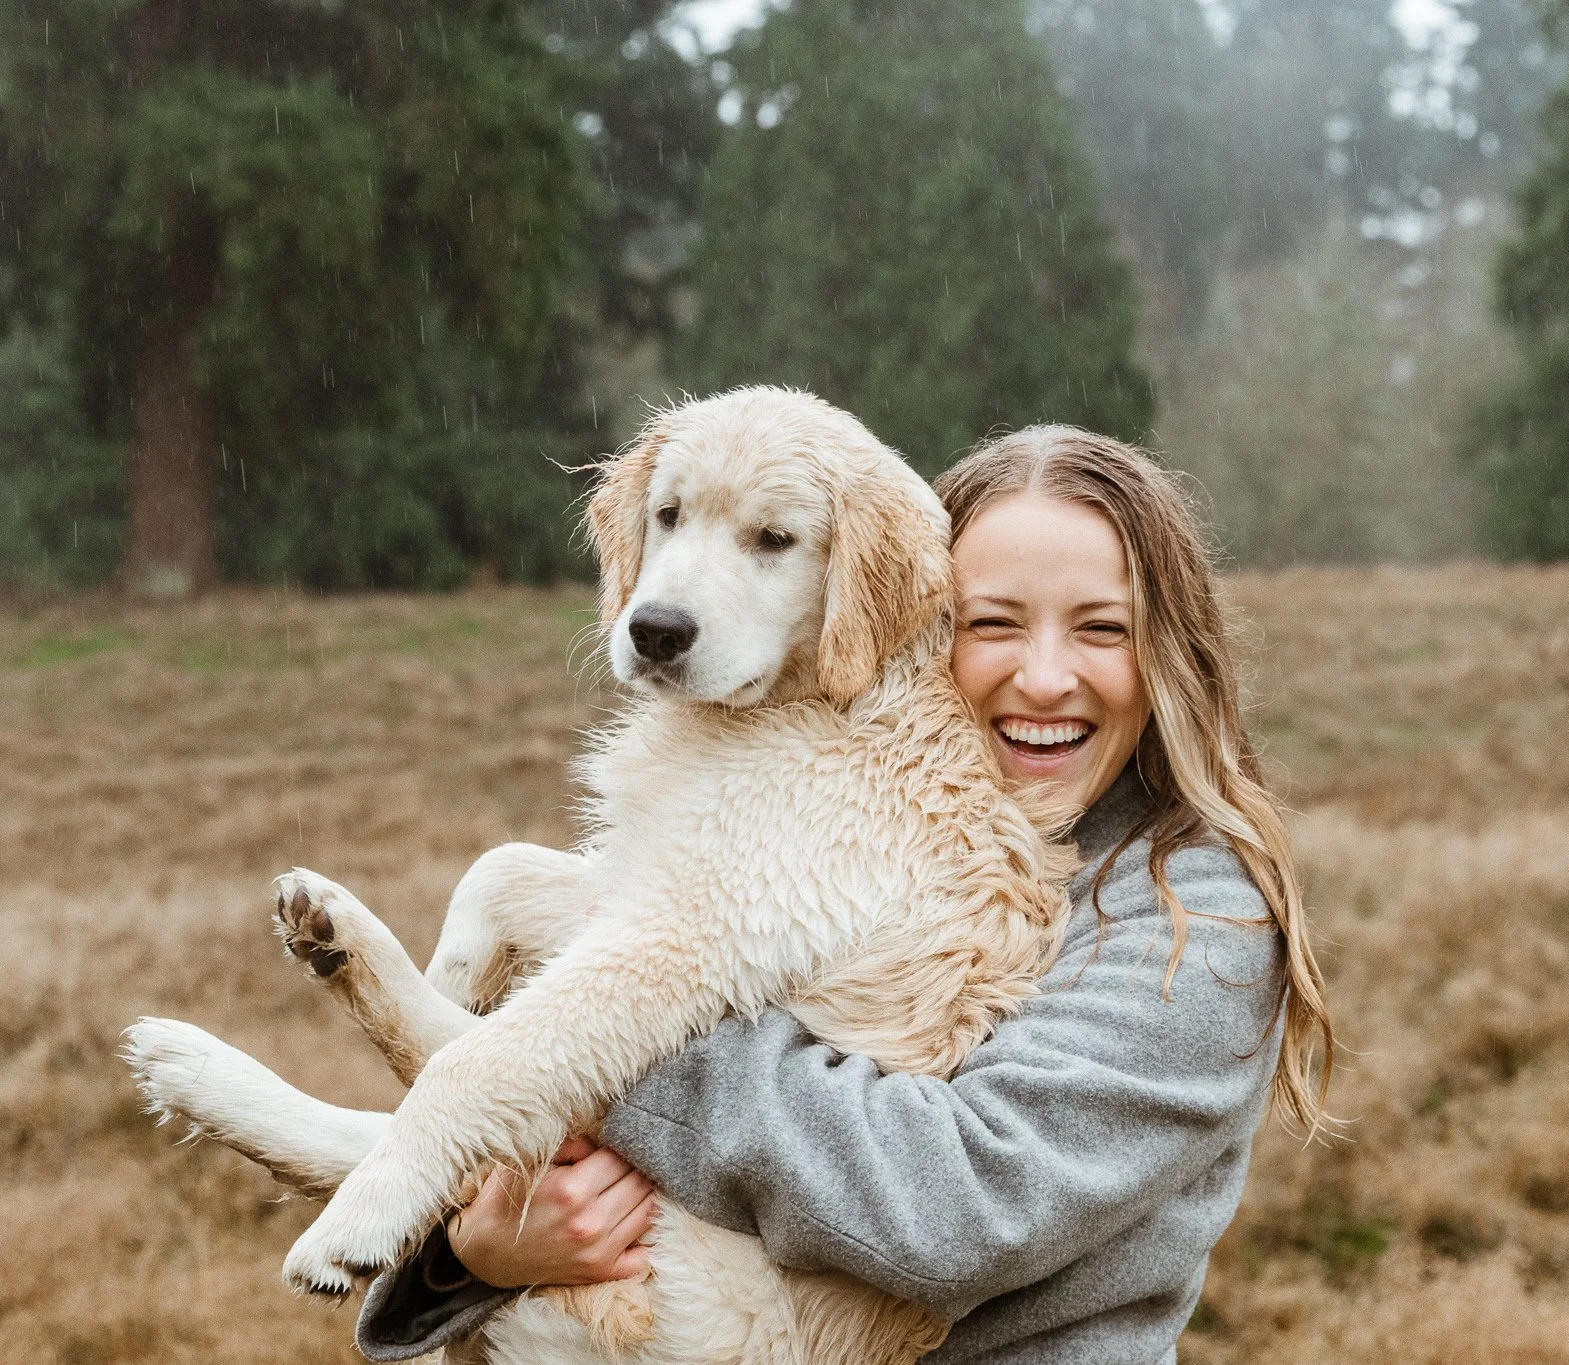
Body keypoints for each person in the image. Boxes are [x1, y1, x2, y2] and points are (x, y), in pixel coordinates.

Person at [357, 426, 1333, 1363]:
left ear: (1167, 653)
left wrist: (601, 1021)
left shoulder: (1189, 913)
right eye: (991, 623)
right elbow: (647, 1189)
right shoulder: (829, 822)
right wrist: (475, 1256)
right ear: (901, 614)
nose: (1042, 678)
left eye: (1101, 629)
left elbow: (958, 1207)